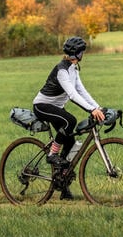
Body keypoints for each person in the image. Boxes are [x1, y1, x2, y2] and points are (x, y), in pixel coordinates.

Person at [32, 36, 105, 200]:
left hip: (56, 107)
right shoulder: (62, 70)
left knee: (71, 143)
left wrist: (97, 107)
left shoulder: (74, 69)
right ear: (77, 53)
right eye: (82, 52)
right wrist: (91, 109)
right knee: (69, 121)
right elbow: (72, 95)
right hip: (42, 106)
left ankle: (62, 185)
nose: (83, 54)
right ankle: (52, 154)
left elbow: (82, 91)